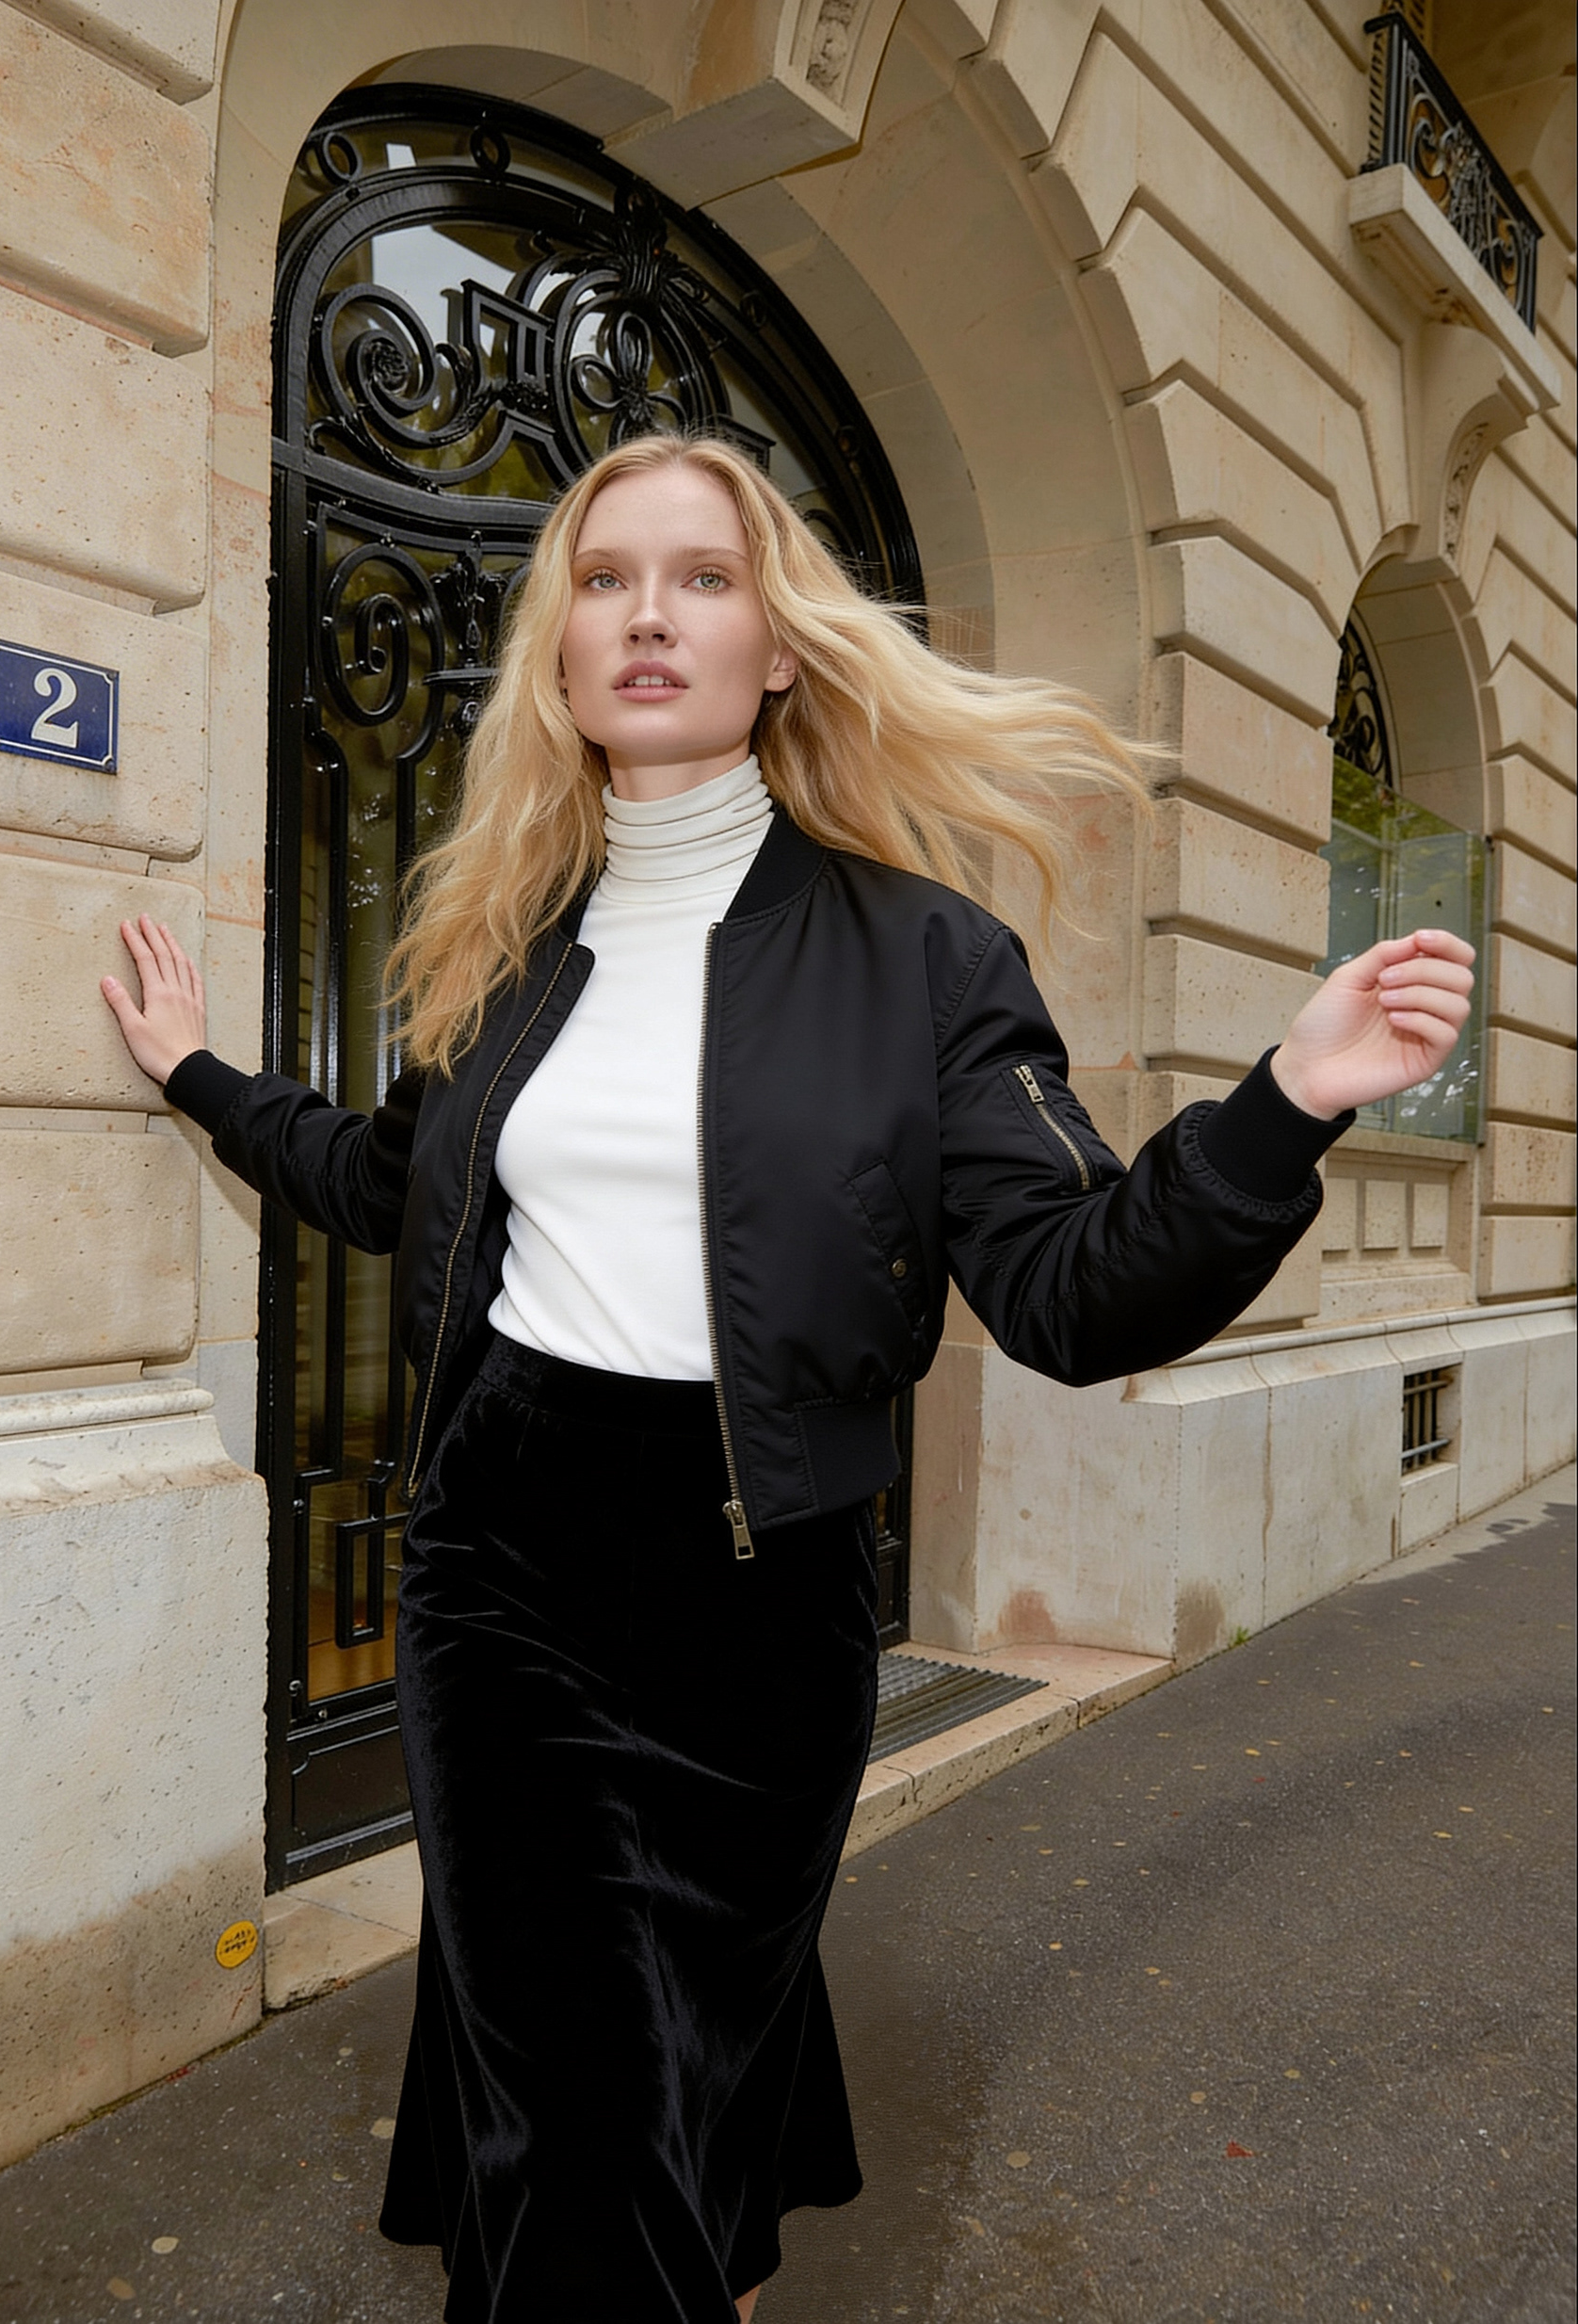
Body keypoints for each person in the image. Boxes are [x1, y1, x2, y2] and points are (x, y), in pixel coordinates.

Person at [102, 432, 1473, 2323]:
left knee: (685, 2033)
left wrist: (1284, 1103)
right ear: (564, 658)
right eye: (604, 580)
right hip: (497, 1564)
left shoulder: (925, 955)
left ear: (783, 649)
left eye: (704, 575)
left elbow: (1076, 1289)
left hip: (764, 1598)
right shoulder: (505, 956)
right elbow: (379, 1182)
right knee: (580, 2079)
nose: (649, 611)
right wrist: (197, 1072)